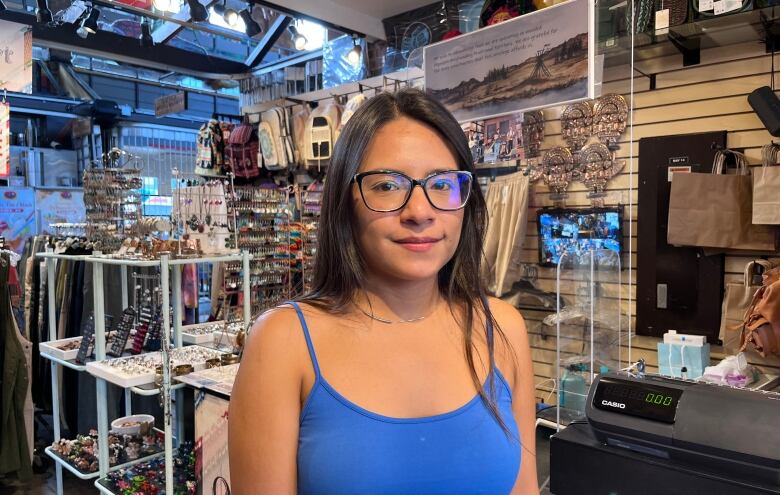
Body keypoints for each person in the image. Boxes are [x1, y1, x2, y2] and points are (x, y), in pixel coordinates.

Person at [229, 89, 539, 494]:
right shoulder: (283, 342)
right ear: (345, 200)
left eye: (442, 184)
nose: (420, 211)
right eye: (388, 186)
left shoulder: (502, 327)